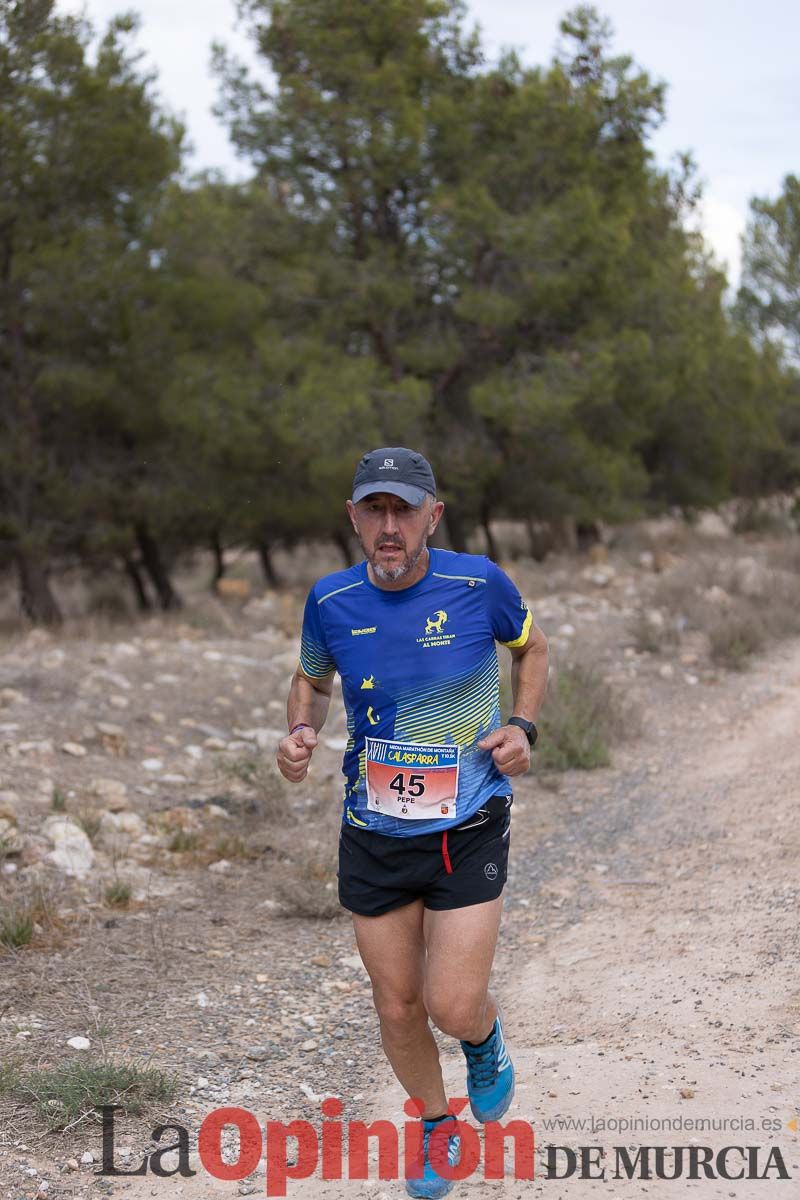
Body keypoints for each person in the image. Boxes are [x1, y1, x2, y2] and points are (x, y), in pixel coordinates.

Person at [276, 447, 549, 1198]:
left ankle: (484, 1043)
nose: (389, 527)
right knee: (396, 1002)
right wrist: (301, 729)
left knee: (451, 1003)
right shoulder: (331, 601)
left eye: (404, 510)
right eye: (375, 510)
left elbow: (531, 649)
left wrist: (523, 725)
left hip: (466, 824)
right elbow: (311, 678)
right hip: (373, 831)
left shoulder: (477, 583)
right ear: (354, 517)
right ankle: (436, 1127)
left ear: (434, 514)